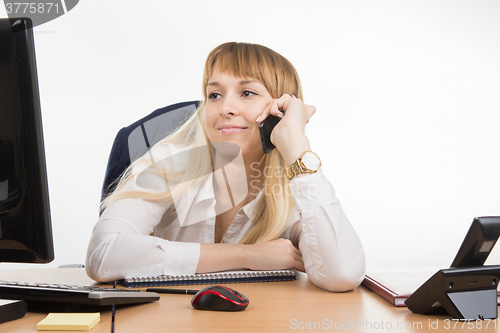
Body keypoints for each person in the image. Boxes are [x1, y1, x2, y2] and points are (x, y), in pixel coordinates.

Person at [86, 42, 365, 292]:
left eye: (246, 92)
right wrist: (249, 256)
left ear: (280, 110)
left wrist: (296, 147)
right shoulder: (171, 161)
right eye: (215, 95)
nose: (225, 108)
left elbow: (341, 275)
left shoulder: (296, 188)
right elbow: (103, 253)